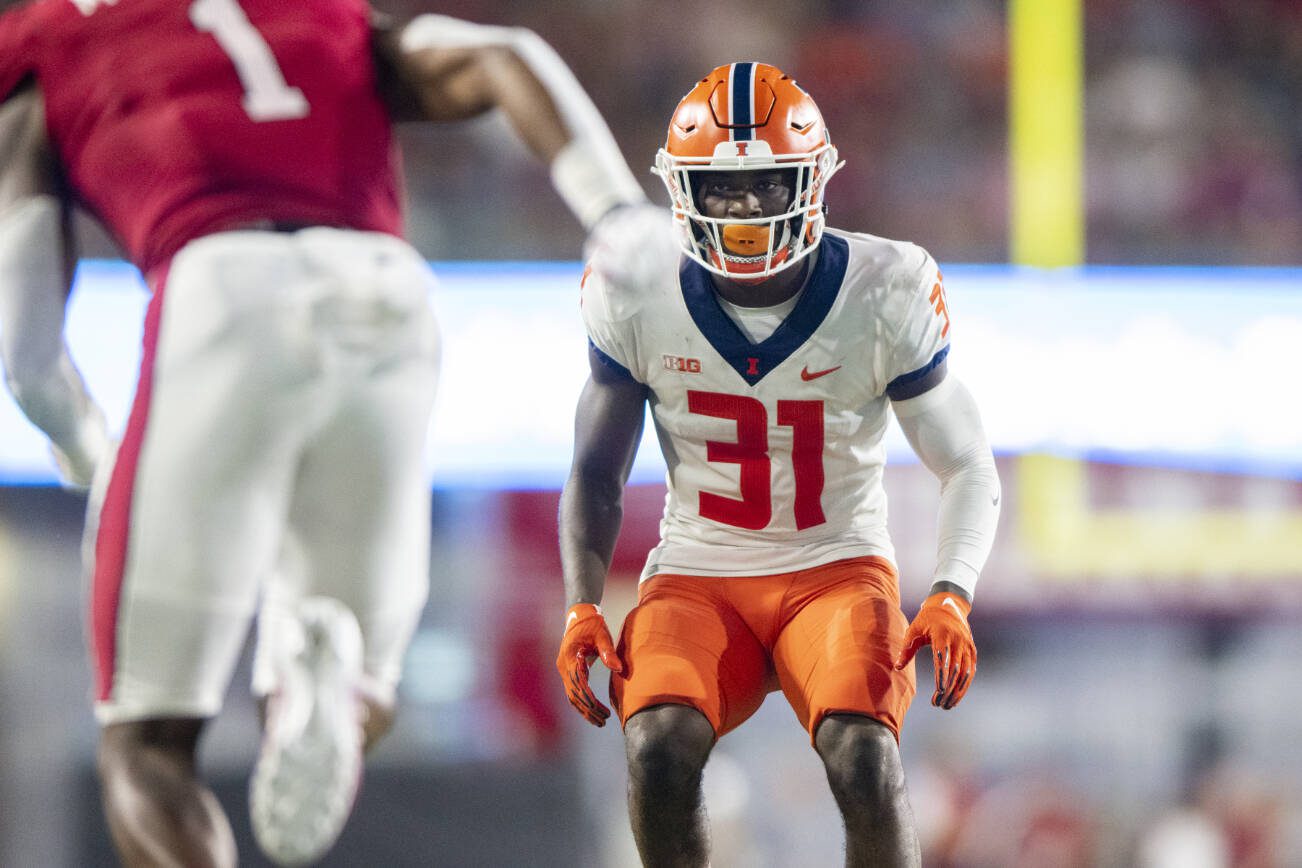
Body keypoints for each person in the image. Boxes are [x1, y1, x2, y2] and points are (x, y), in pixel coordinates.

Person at [0, 2, 670, 865]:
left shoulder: (50, 41)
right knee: (369, 690)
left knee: (146, 735)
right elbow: (507, 54)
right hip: (386, 290)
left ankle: (306, 670)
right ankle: (321, 676)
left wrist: (83, 446)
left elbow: (24, 348)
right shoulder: (317, 14)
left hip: (220, 281)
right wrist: (615, 211)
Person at [557, 61, 1002, 867]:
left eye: (766, 185)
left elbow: (967, 461)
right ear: (681, 190)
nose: (745, 210)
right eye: (723, 190)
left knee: (865, 758)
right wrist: (580, 605)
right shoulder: (637, 287)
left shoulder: (883, 287)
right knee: (656, 745)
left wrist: (952, 590)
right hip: (698, 568)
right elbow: (596, 472)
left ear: (815, 179)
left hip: (835, 566)